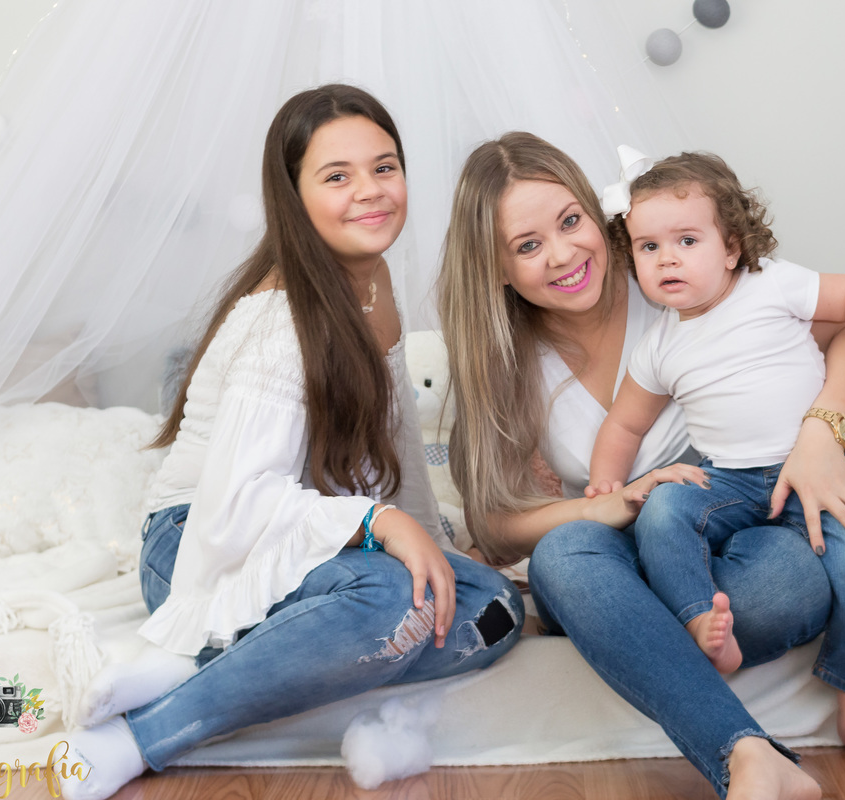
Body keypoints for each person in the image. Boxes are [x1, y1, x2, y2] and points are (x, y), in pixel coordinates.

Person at [61, 84, 524, 800]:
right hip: (201, 543)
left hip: (311, 541)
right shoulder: (281, 319)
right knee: (391, 601)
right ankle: (146, 731)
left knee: (494, 608)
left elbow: (394, 451)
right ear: (294, 195)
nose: (370, 192)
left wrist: (434, 544)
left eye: (385, 167)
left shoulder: (372, 286)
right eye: (337, 177)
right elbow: (238, 502)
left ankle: (226, 664)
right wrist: (380, 523)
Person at [438, 132, 845, 800]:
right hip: (618, 555)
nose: (563, 254)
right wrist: (601, 506)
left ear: (599, 215)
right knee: (564, 556)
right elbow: (499, 527)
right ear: (497, 267)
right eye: (528, 245)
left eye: (570, 222)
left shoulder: (674, 273)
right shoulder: (507, 362)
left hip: (738, 537)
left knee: (800, 573)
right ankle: (743, 751)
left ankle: (654, 658)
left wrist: (824, 433)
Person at [589, 150, 845, 770]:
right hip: (730, 480)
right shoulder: (660, 345)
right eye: (647, 247)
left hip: (822, 471)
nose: (666, 259)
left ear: (732, 247)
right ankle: (698, 622)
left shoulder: (772, 286)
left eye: (687, 240)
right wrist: (606, 480)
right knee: (664, 508)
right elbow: (625, 421)